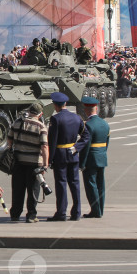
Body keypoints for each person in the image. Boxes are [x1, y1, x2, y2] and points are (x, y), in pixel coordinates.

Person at [46, 92, 90, 222]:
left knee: (61, 185)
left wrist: (50, 160)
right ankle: (76, 212)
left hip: (60, 155)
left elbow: (52, 141)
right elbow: (86, 136)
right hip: (73, 154)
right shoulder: (77, 118)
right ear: (65, 104)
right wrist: (77, 147)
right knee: (75, 184)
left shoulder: (55, 119)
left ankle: (61, 212)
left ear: (55, 105)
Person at [6, 102, 49, 223]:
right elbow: (44, 147)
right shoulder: (41, 127)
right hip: (34, 164)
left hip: (18, 162)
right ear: (40, 114)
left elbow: (9, 139)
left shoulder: (18, 122)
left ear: (29, 111)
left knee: (18, 190)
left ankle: (15, 214)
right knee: (33, 190)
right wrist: (45, 165)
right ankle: (31, 215)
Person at [80, 97, 109, 219]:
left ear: (86, 110)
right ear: (96, 108)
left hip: (91, 159)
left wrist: (82, 163)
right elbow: (107, 142)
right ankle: (100, 209)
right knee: (100, 185)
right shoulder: (105, 124)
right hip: (101, 157)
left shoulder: (88, 125)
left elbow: (85, 146)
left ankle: (95, 210)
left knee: (91, 185)